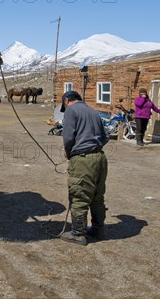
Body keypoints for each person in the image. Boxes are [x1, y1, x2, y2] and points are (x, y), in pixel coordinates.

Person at [60, 91, 109, 246]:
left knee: (79, 195)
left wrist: (69, 154)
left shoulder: (71, 110)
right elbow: (105, 136)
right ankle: (98, 230)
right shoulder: (93, 111)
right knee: (97, 196)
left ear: (67, 100)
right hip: (100, 158)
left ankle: (78, 233)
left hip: (83, 159)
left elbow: (68, 137)